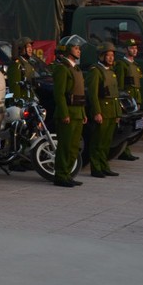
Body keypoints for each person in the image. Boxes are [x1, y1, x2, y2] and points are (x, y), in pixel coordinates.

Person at [51, 35, 87, 188]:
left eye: (79, 48)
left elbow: (81, 94)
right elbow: (59, 94)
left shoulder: (76, 68)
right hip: (68, 114)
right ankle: (60, 175)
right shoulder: (62, 68)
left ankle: (68, 174)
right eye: (76, 48)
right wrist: (64, 113)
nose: (79, 51)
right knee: (65, 146)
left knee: (73, 147)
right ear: (67, 50)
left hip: (78, 113)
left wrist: (84, 113)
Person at [85, 42, 121, 178]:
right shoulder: (95, 71)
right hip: (103, 111)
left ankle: (104, 166)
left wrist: (117, 113)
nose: (111, 58)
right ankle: (96, 168)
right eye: (108, 55)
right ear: (101, 56)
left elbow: (115, 94)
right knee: (97, 142)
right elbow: (92, 94)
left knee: (106, 142)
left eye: (112, 55)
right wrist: (97, 112)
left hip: (111, 111)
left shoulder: (111, 71)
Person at [114, 38, 143, 160]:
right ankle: (123, 151)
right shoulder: (122, 65)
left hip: (135, 98)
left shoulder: (135, 65)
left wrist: (139, 100)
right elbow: (120, 85)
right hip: (127, 98)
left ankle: (126, 150)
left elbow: (137, 85)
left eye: (135, 48)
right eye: (131, 48)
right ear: (126, 50)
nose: (134, 50)